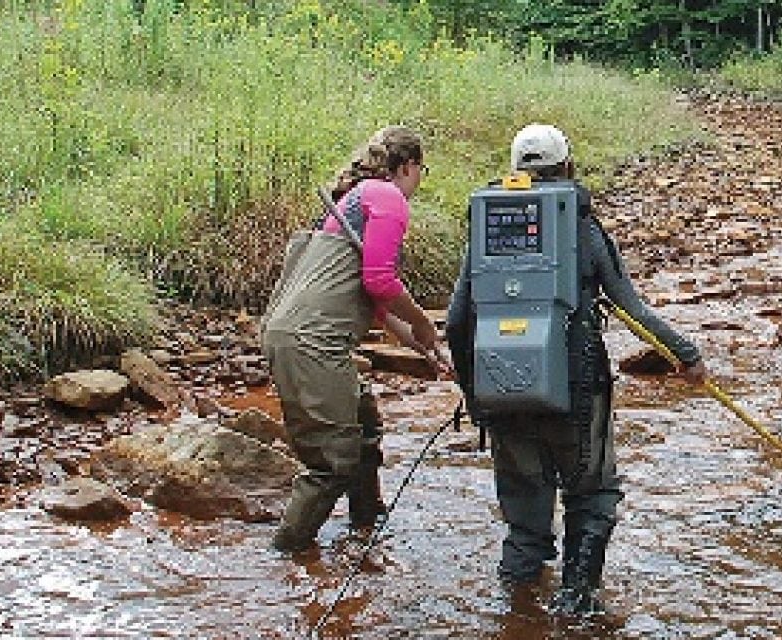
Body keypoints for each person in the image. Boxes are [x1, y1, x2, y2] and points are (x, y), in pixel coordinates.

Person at [445, 123, 707, 613]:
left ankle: (516, 614)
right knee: (593, 494)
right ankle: (575, 604)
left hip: (500, 392)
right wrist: (687, 356)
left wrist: (475, 395)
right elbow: (634, 307)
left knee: (524, 518)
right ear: (568, 167)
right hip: (576, 388)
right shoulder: (581, 226)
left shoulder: (485, 225)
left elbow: (457, 321)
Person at [262, 126, 452, 553]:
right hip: (312, 342)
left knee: (364, 424)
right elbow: (381, 280)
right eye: (423, 169)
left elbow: (375, 306)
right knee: (332, 461)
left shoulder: (352, 203)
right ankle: (287, 553)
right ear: (408, 166)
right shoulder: (388, 199)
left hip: (293, 334)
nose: (421, 178)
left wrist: (424, 347)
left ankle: (366, 523)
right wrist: (424, 321)